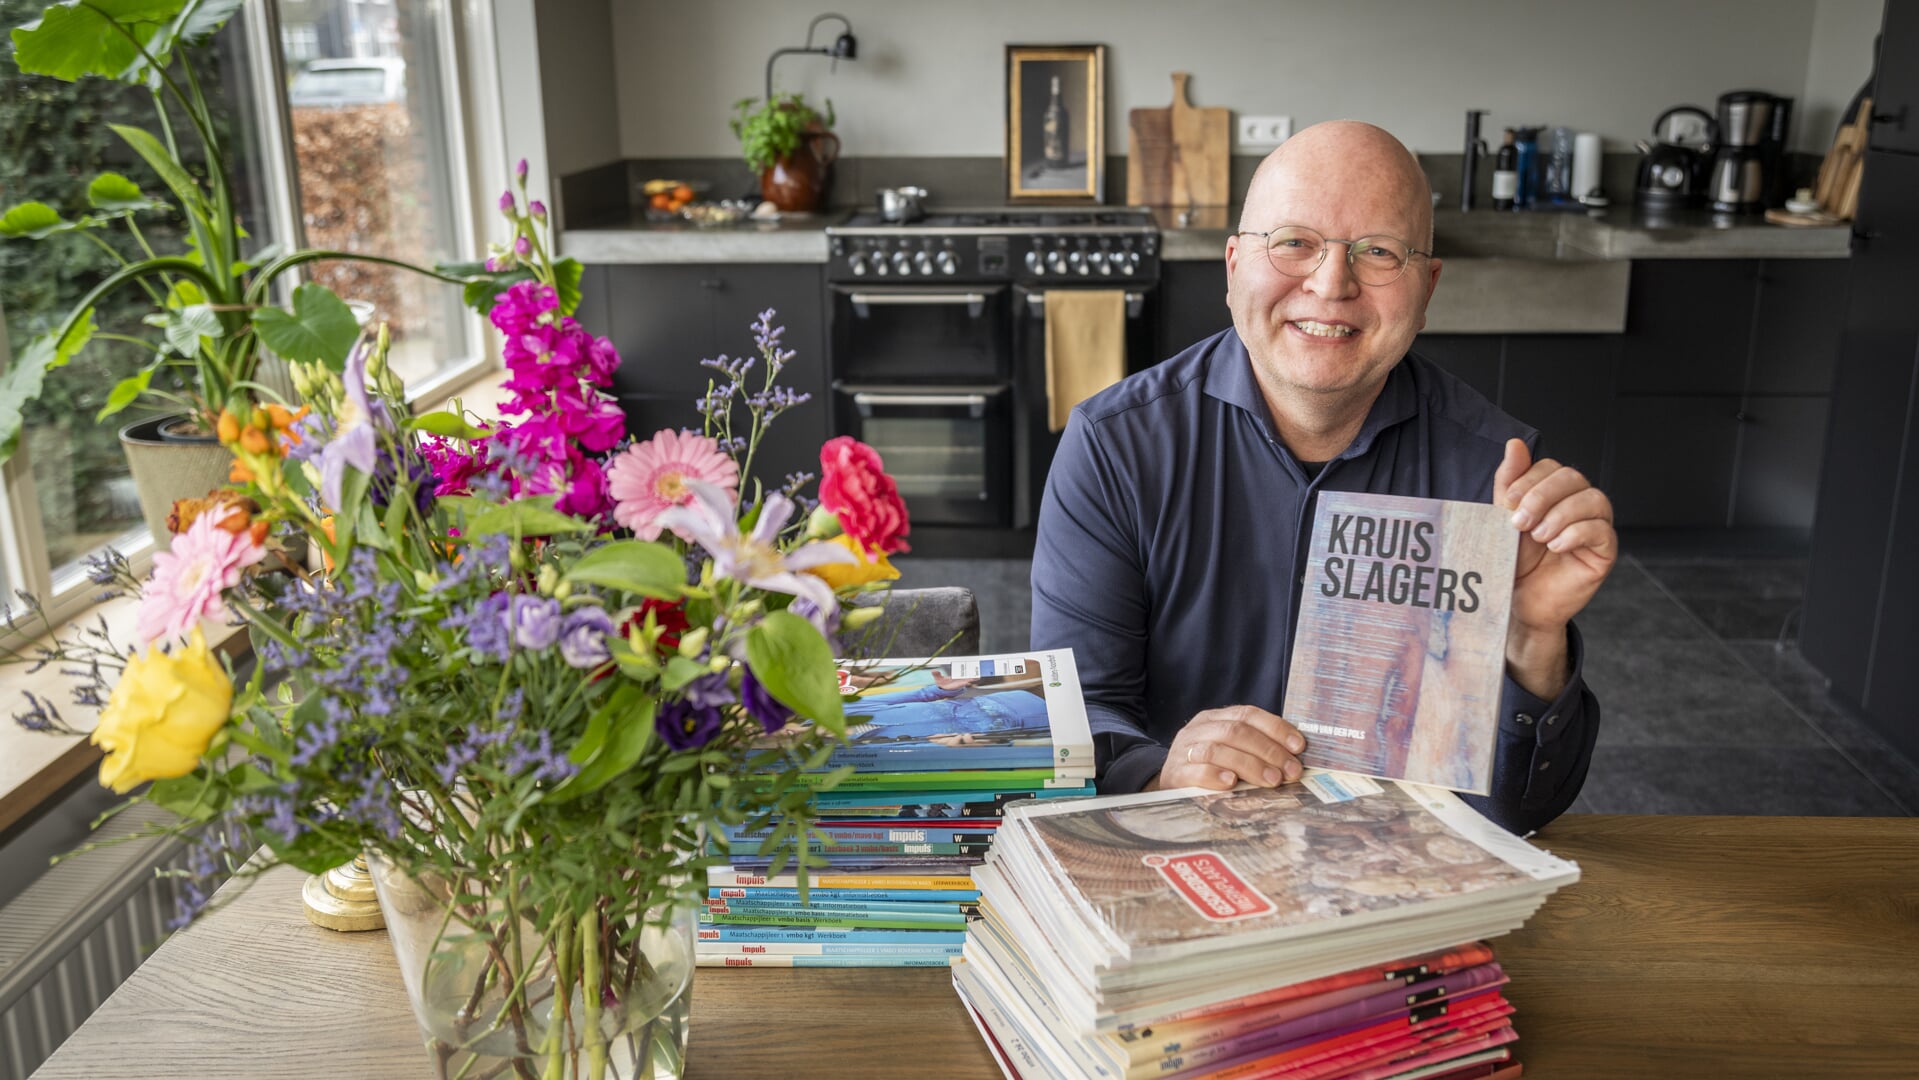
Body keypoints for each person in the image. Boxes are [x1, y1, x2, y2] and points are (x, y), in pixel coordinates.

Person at [1030, 120, 1615, 836]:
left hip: (1396, 876)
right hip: (1172, 850)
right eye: (1293, 242)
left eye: (1376, 251)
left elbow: (1522, 811)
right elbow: (1069, 719)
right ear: (1234, 265)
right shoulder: (1114, 448)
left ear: (1426, 286)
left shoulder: (1495, 471)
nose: (1330, 283)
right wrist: (1160, 773)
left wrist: (1531, 641)